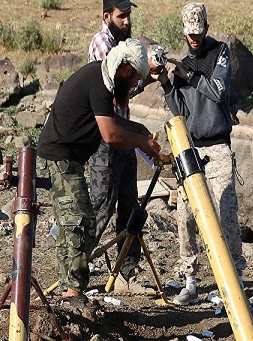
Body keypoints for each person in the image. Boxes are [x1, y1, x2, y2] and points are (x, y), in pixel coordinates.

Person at [37, 39, 161, 306]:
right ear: (125, 70)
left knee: (73, 220)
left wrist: (138, 130)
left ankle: (69, 289)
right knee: (80, 220)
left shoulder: (102, 77)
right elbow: (110, 134)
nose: (132, 87)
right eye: (134, 80)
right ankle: (73, 292)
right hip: (61, 155)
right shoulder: (98, 82)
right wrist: (140, 141)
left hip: (67, 155)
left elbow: (110, 120)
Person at [156, 2, 246, 305]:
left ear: (206, 28)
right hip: (192, 148)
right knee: (186, 216)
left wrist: (189, 74)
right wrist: (167, 82)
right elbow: (180, 111)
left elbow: (218, 91)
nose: (194, 38)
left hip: (218, 145)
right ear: (184, 31)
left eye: (198, 32)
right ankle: (191, 280)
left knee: (226, 212)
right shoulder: (183, 65)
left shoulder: (218, 53)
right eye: (190, 33)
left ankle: (236, 279)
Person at [88, 0, 160, 295]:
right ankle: (75, 268)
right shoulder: (103, 44)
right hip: (107, 136)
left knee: (129, 203)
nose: (127, 21)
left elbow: (127, 88)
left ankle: (126, 273)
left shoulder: (123, 42)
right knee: (102, 204)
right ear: (107, 16)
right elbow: (119, 92)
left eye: (128, 15)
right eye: (121, 16)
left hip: (124, 134)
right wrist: (145, 76)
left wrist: (146, 74)